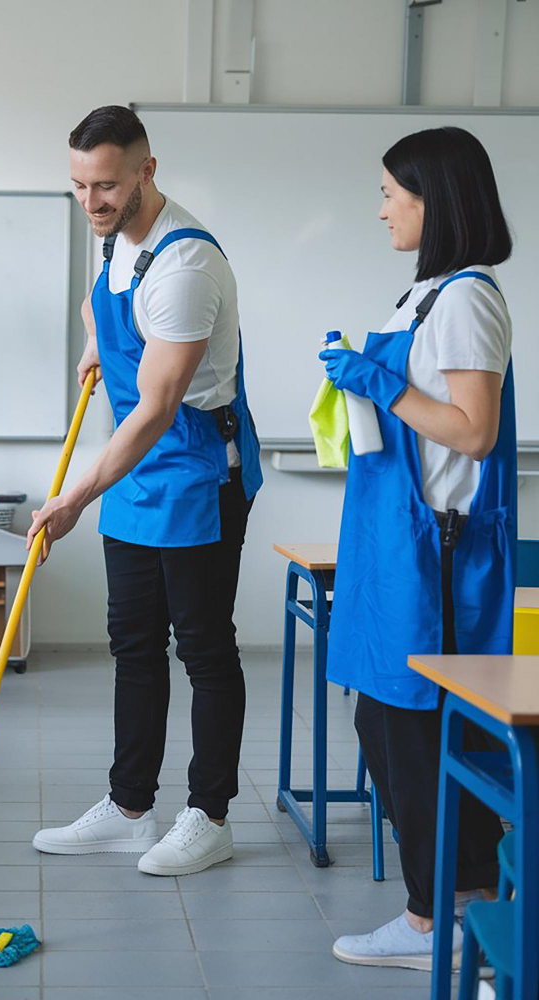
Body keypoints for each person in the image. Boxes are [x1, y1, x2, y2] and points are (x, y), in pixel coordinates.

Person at [29, 105, 263, 875]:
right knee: (133, 643)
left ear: (146, 172)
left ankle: (211, 814)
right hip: (137, 469)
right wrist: (99, 342)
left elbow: (160, 408)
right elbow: (118, 309)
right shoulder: (117, 240)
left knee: (202, 646)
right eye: (78, 185)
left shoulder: (186, 263)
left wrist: (74, 498)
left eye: (105, 185)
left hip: (196, 467)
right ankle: (131, 807)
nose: (91, 201)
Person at [323, 127, 514, 970]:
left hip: (434, 557)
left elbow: (474, 433)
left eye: (392, 196)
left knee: (420, 733)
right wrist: (358, 373)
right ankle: (453, 908)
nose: (382, 211)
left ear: (437, 202)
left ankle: (437, 922)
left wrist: (384, 384)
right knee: (386, 724)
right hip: (394, 544)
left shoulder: (469, 297)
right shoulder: (426, 296)